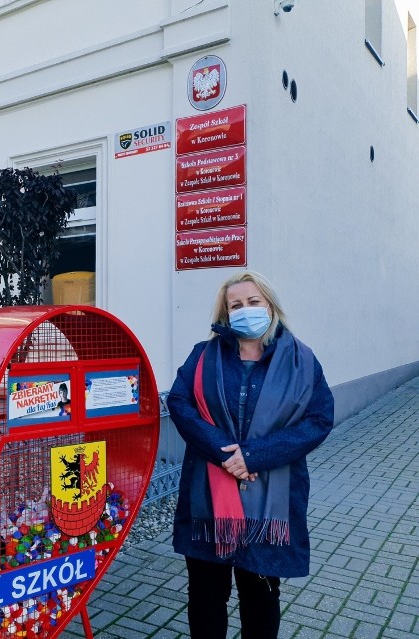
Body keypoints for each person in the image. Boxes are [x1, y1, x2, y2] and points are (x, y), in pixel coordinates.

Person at [167, 271, 334, 639]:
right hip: (208, 499)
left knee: (260, 597)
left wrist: (254, 455)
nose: (245, 310)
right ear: (226, 314)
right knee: (206, 598)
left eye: (253, 302)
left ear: (270, 305)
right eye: (235, 305)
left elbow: (319, 419)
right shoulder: (204, 355)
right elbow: (179, 402)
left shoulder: (302, 362)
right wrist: (225, 453)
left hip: (269, 502)